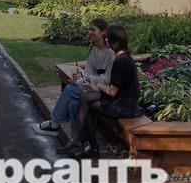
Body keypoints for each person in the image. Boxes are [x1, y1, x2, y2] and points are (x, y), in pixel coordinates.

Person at [64, 24, 143, 158]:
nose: (106, 41)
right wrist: (96, 87)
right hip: (124, 99)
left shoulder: (120, 62)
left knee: (88, 106)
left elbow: (112, 92)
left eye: (108, 39)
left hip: (124, 105)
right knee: (85, 97)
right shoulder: (125, 57)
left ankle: (87, 144)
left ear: (115, 42)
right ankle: (79, 140)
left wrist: (99, 86)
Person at [33, 18, 113, 139]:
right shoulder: (94, 50)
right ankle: (78, 140)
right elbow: (87, 72)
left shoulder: (110, 54)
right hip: (91, 86)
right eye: (89, 29)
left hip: (105, 91)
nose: (90, 32)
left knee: (70, 90)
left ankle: (54, 124)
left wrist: (87, 79)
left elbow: (108, 80)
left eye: (93, 30)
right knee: (72, 103)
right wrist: (80, 80)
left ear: (103, 32)